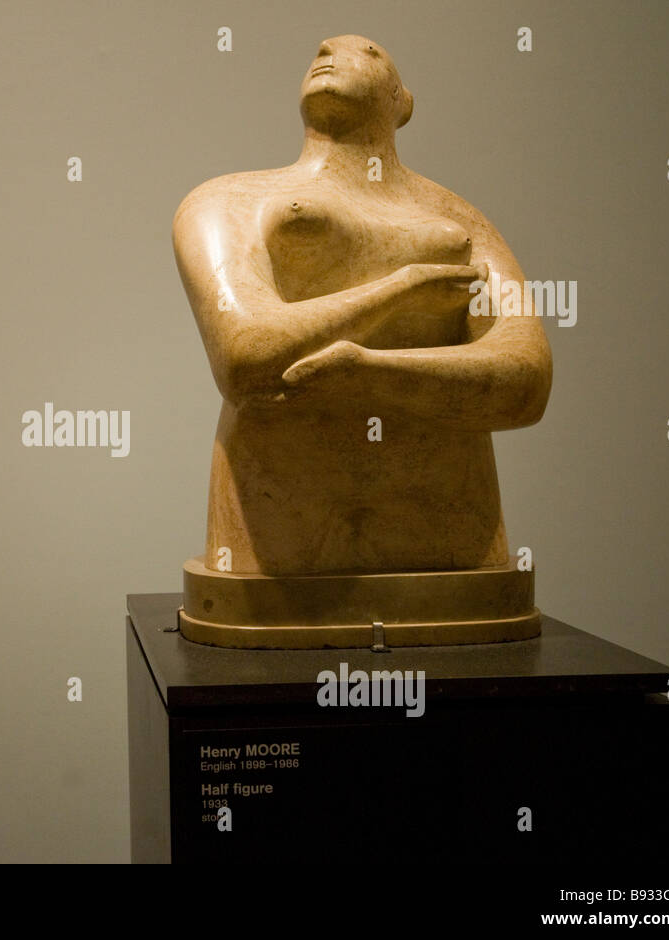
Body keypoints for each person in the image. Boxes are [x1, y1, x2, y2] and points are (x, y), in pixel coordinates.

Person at [173, 35, 552, 577]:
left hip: (450, 543)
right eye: (321, 48)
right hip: (279, 539)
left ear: (403, 100)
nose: (327, 47)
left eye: (368, 51)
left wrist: (365, 370)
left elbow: (526, 379)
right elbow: (244, 355)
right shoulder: (227, 201)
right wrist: (401, 288)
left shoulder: (458, 217)